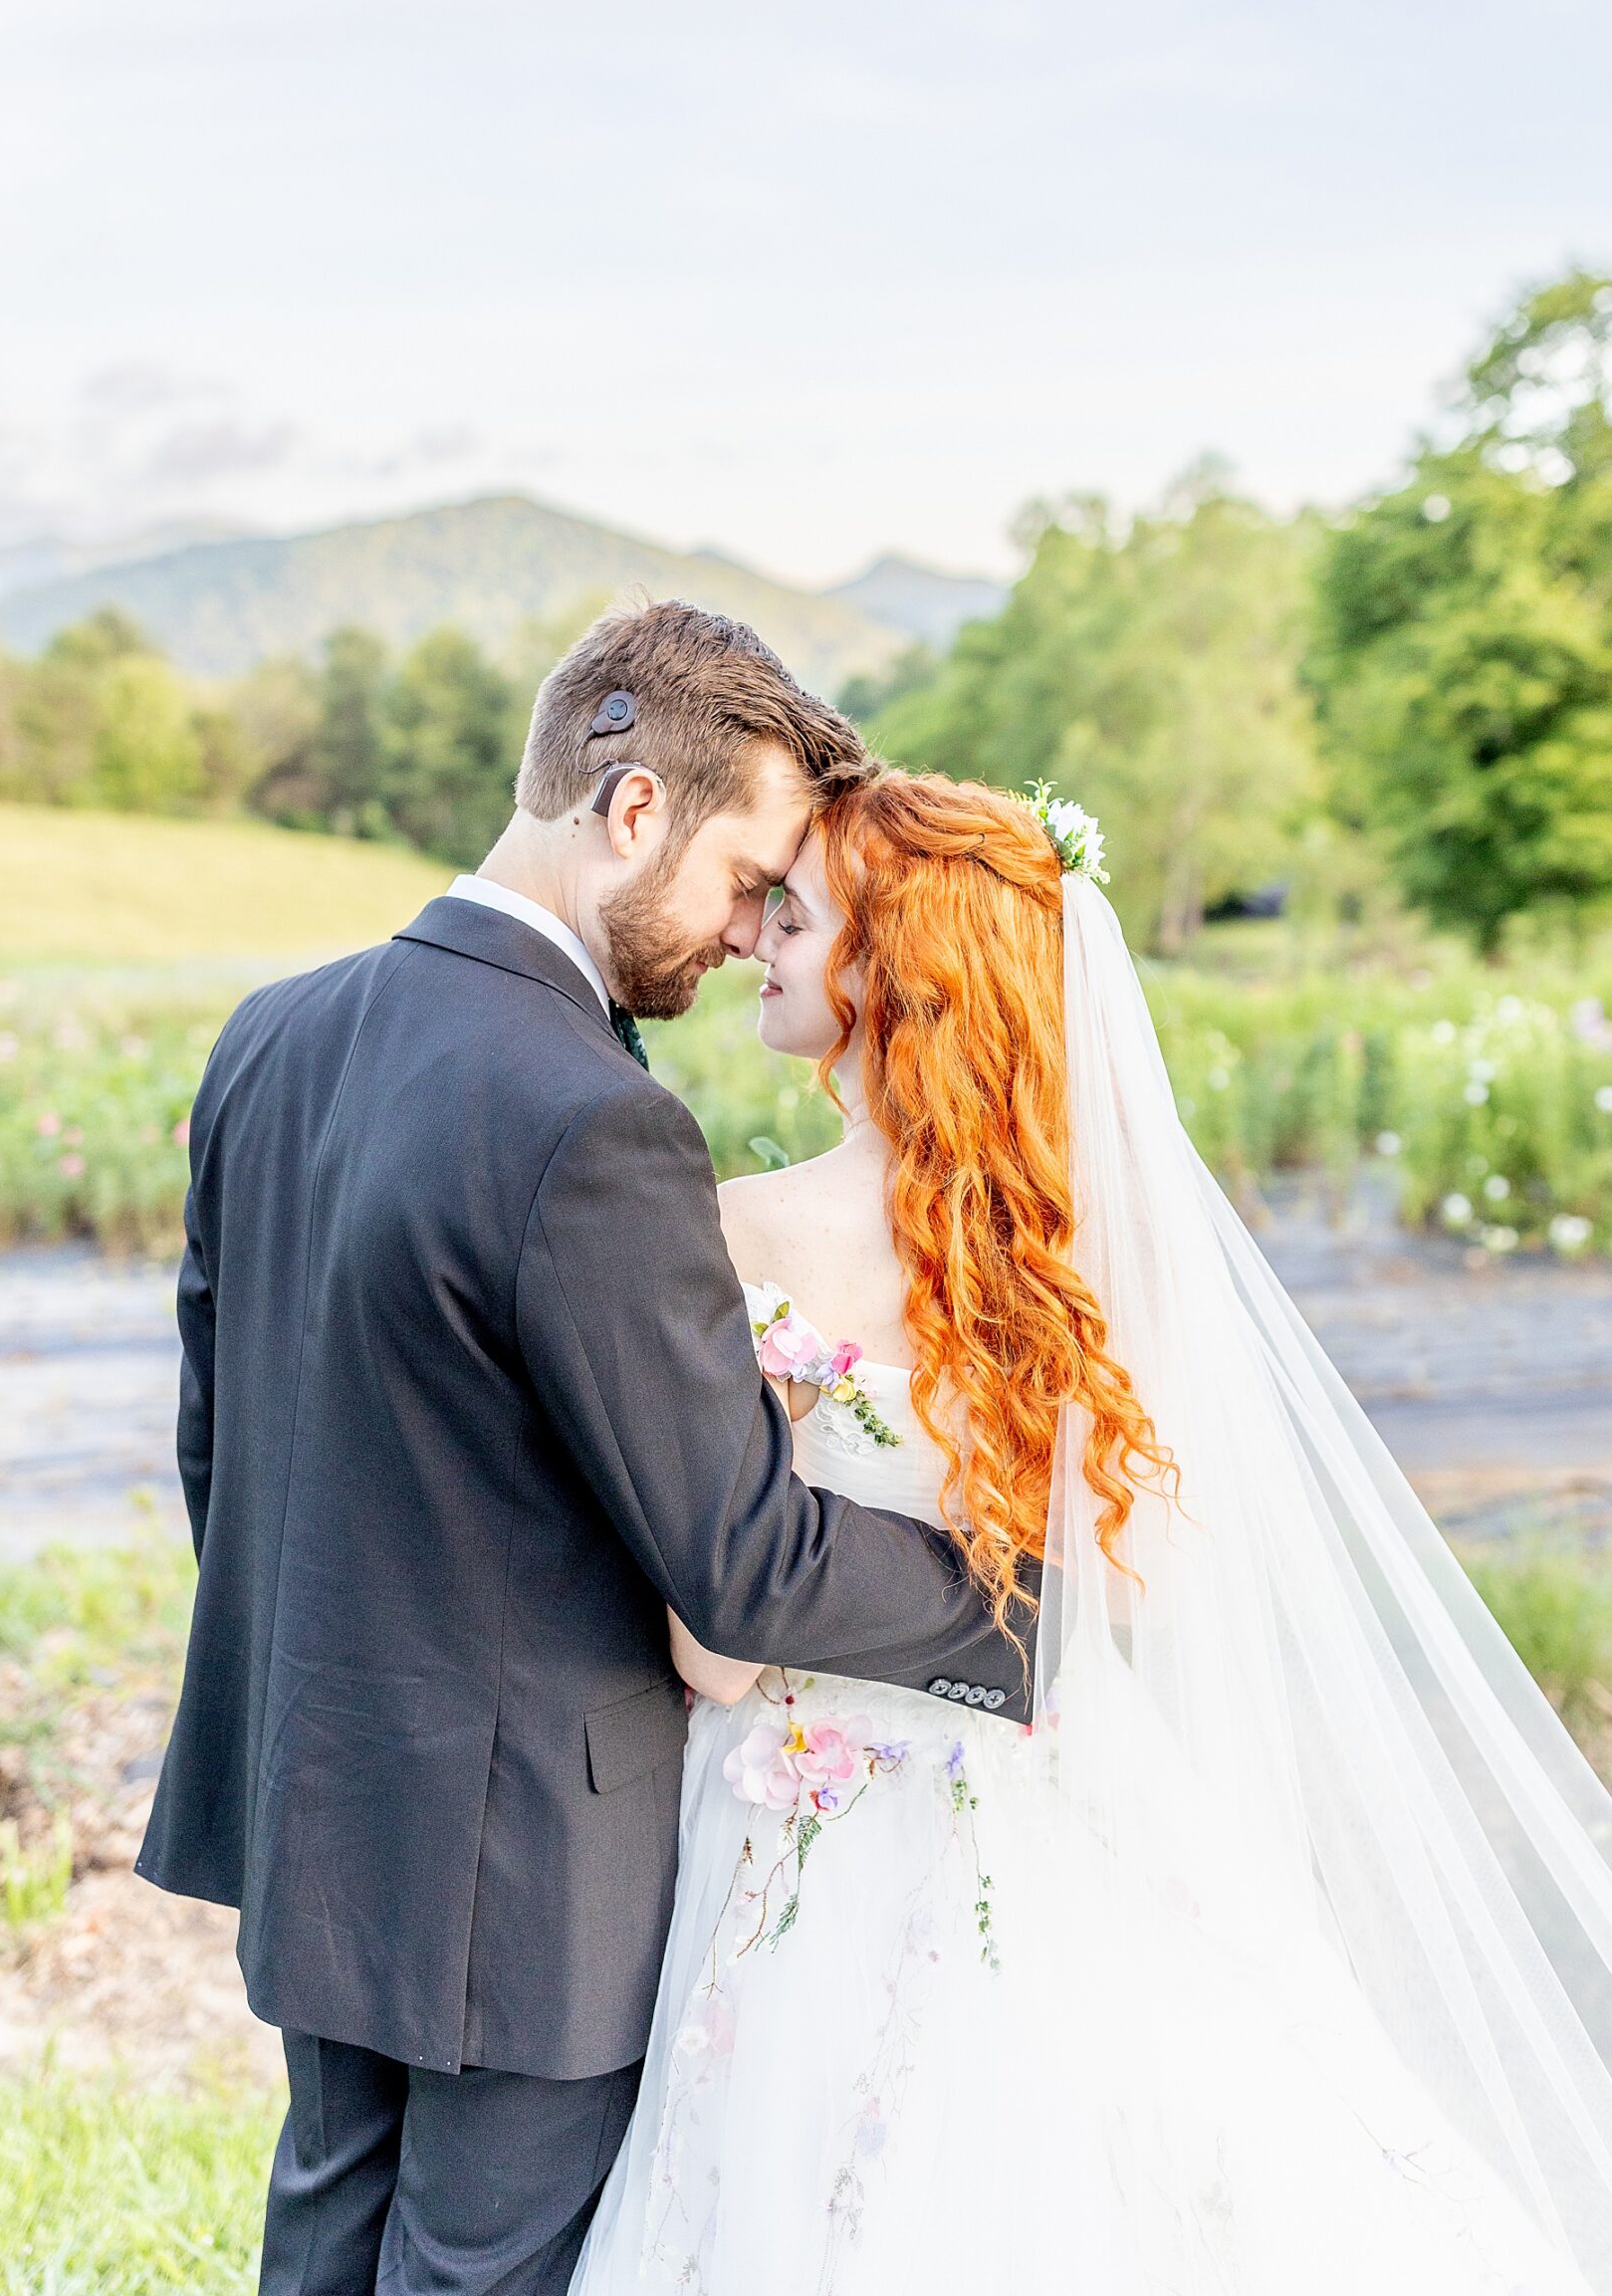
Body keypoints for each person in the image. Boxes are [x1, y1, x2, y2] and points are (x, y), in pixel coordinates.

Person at [574, 770, 1612, 2296]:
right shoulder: (1080, 1253)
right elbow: (1141, 1582)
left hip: (802, 1812)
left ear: (892, 973)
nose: (756, 943)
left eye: (792, 919)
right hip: (1058, 1790)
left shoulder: (743, 1233)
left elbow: (717, 1650)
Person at [135, 605, 1039, 2296]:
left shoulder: (271, 1034)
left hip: (316, 1796)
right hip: (528, 1861)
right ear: (634, 813)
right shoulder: (596, 1117)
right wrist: (1032, 1614)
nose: (745, 933)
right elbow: (743, 1559)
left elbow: (222, 1446)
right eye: (745, 879)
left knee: (324, 2238)